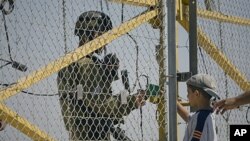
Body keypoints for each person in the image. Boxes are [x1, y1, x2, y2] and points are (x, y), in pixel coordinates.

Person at [57, 11, 145, 141]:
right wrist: (132, 101)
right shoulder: (86, 65)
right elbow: (101, 104)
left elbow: (96, 101)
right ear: (94, 34)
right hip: (90, 134)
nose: (106, 42)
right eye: (104, 36)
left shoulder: (75, 61)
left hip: (85, 132)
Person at [177, 74, 220, 141]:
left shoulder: (201, 119)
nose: (187, 96)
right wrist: (175, 103)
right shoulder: (208, 114)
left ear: (197, 94)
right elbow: (189, 117)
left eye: (188, 92)